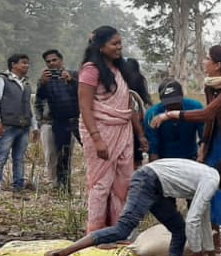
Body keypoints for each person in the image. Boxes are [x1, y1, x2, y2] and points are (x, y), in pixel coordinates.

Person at [45, 157, 220, 256]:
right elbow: (194, 219)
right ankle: (59, 254)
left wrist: (210, 252)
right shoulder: (212, 180)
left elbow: (203, 217)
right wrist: (198, 255)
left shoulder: (208, 175)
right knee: (122, 230)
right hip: (148, 180)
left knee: (178, 229)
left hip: (155, 184)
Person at [151, 45, 221, 240]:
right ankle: (213, 246)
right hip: (215, 143)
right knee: (210, 191)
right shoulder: (210, 85)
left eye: (207, 59)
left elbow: (208, 112)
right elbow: (212, 120)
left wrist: (171, 115)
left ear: (217, 65)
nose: (203, 62)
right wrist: (203, 147)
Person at [79, 27, 134, 231]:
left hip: (122, 131)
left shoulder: (119, 70)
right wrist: (97, 139)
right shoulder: (91, 70)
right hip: (100, 131)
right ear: (101, 47)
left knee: (122, 183)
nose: (119, 47)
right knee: (101, 184)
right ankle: (95, 233)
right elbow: (85, 107)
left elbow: (128, 104)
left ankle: (117, 231)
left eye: (120, 43)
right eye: (114, 44)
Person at [0, 53, 39, 199]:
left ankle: (18, 190)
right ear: (13, 65)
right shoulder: (1, 80)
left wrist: (34, 126)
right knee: (0, 159)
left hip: (23, 127)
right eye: (23, 63)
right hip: (7, 126)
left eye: (28, 63)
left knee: (19, 159)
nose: (27, 66)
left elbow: (29, 105)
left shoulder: (26, 84)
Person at [36, 49, 79, 192]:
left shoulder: (73, 75)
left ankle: (67, 185)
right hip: (56, 120)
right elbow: (39, 100)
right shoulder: (45, 80)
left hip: (75, 119)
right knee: (58, 154)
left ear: (61, 60)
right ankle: (60, 185)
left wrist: (70, 80)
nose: (51, 63)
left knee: (73, 153)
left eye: (54, 60)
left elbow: (83, 92)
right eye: (48, 62)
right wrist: (43, 83)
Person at [144, 79, 203, 161]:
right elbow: (153, 149)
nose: (173, 107)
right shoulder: (152, 114)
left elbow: (205, 138)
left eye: (176, 103)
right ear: (161, 101)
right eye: (169, 104)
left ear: (182, 97)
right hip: (163, 159)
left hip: (191, 157)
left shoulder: (195, 108)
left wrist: (201, 158)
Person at [117, 57, 151, 169]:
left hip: (125, 126)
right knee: (136, 159)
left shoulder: (121, 82)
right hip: (139, 126)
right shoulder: (140, 79)